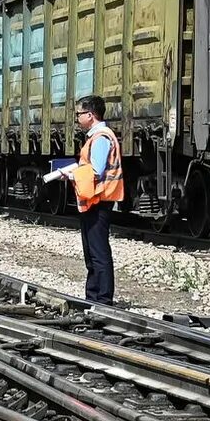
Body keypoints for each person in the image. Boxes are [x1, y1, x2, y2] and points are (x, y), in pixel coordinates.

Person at [44, 93, 123, 303]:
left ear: (90, 115)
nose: (77, 118)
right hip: (93, 201)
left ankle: (103, 300)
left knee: (98, 252)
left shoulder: (101, 138)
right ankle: (93, 297)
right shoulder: (96, 138)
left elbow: (95, 171)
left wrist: (70, 174)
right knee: (92, 253)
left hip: (99, 201)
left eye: (79, 114)